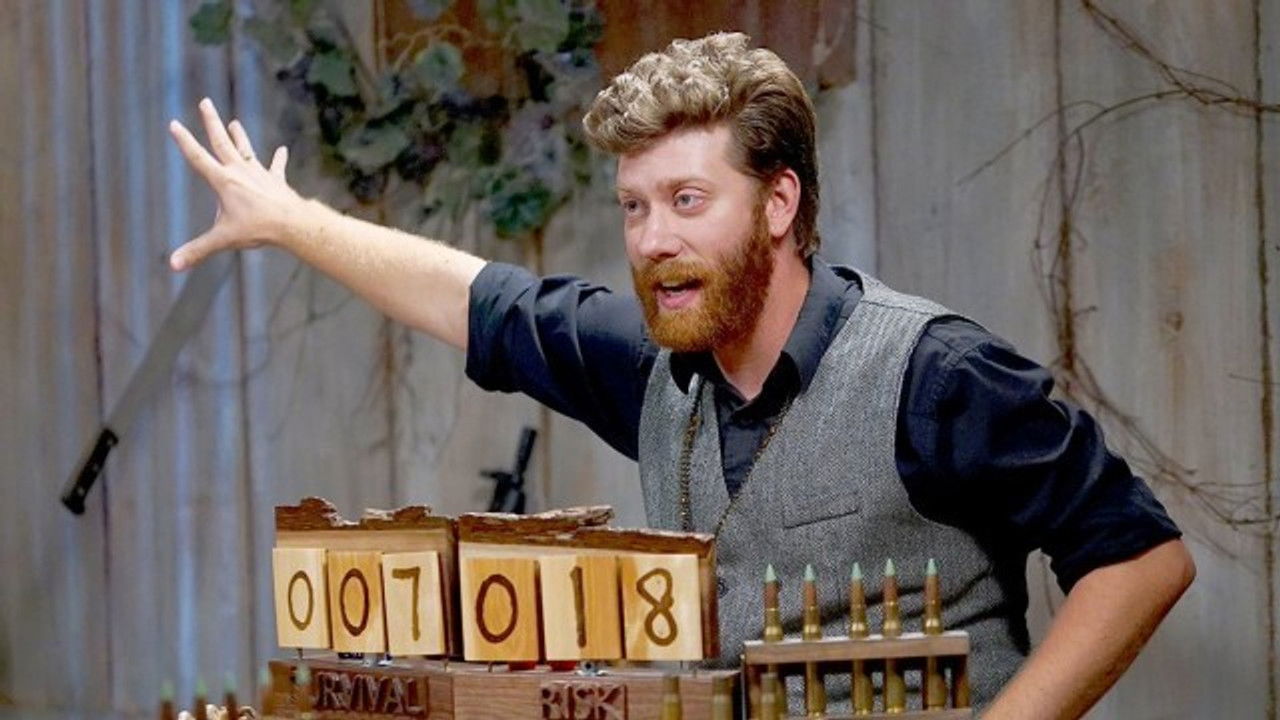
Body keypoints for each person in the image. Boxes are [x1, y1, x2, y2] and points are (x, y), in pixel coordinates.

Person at [168, 32, 1194, 718]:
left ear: (778, 203)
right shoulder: (653, 365)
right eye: (634, 206)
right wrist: (290, 222)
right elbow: (475, 300)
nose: (652, 238)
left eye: (687, 200)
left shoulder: (935, 373)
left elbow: (1141, 559)